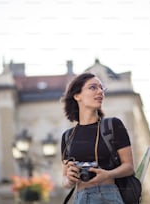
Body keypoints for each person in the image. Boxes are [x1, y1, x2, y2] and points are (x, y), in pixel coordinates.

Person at [60, 72, 134, 204]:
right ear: (77, 96)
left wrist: (108, 174)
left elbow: (129, 167)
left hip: (109, 196)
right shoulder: (67, 136)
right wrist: (70, 179)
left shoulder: (113, 125)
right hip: (81, 198)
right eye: (93, 87)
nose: (100, 92)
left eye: (101, 88)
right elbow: (65, 181)